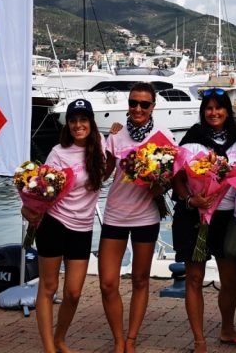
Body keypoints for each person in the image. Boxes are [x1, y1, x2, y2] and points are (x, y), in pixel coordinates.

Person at [171, 87, 236, 353]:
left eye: (219, 108)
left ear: (228, 111)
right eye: (209, 108)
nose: (214, 112)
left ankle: (227, 329)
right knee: (194, 278)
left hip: (227, 216)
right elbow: (177, 177)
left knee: (230, 279)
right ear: (203, 111)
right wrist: (190, 200)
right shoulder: (192, 138)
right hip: (194, 215)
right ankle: (199, 340)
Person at [24, 98, 107, 353]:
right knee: (48, 288)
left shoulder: (101, 145)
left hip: (82, 228)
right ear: (67, 124)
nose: (78, 125)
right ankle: (50, 348)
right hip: (54, 224)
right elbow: (40, 189)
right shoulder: (58, 153)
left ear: (91, 123)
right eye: (73, 120)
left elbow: (119, 155)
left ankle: (60, 338)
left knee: (73, 293)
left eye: (83, 120)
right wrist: (27, 208)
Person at [99, 83, 177, 353]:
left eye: (144, 104)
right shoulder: (116, 135)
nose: (138, 109)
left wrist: (161, 185)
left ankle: (130, 339)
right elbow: (103, 174)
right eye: (133, 103)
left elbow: (171, 179)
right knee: (108, 283)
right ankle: (117, 339)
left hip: (146, 216)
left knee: (140, 279)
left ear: (153, 106)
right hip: (115, 214)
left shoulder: (164, 137)